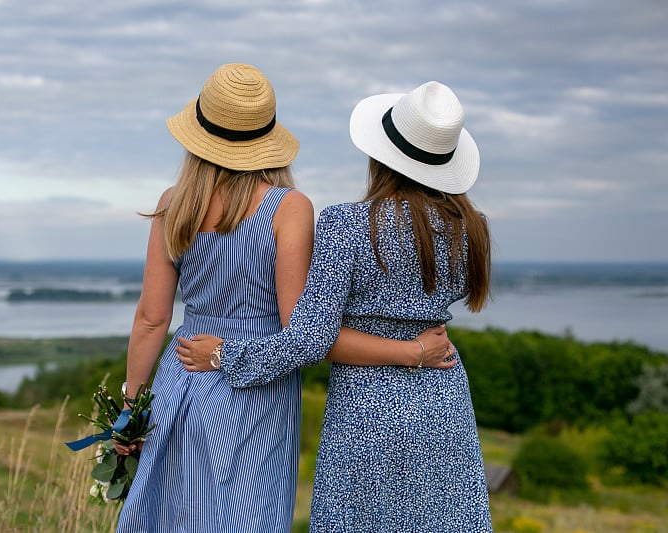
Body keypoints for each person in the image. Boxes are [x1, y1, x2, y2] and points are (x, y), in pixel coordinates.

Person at [115, 65, 454, 533]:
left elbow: (151, 320)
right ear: (267, 137)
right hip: (258, 386)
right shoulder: (289, 207)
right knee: (248, 516)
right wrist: (414, 351)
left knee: (176, 511)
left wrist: (130, 409)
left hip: (186, 372)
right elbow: (302, 327)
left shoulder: (174, 203)